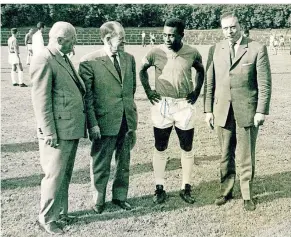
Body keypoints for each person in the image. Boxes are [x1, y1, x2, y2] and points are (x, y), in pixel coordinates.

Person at [204, 12, 272, 211]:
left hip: (247, 111)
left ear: (240, 26)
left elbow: (265, 84)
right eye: (225, 28)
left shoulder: (257, 48)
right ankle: (226, 191)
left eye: (232, 27)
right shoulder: (215, 49)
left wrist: (261, 111)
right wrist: (208, 110)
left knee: (245, 155)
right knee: (225, 154)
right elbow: (210, 83)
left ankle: (247, 195)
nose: (229, 32)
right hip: (222, 111)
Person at [139, 18, 205, 205]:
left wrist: (197, 91)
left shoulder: (192, 52)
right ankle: (159, 187)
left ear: (181, 35)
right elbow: (142, 70)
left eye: (172, 35)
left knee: (187, 147)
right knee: (160, 146)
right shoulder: (155, 52)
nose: (168, 38)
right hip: (163, 104)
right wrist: (148, 91)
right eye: (165, 35)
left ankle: (186, 187)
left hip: (184, 104)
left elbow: (200, 70)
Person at [30, 21, 86, 234]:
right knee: (54, 175)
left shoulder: (61, 57)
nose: (75, 45)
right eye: (72, 41)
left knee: (64, 174)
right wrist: (49, 131)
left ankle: (61, 212)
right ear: (60, 40)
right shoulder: (43, 59)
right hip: (57, 131)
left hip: (69, 128)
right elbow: (40, 100)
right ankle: (47, 218)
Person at [79, 21, 137, 214]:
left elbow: (130, 91)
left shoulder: (129, 59)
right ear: (107, 38)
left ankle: (120, 197)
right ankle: (98, 200)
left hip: (126, 121)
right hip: (103, 123)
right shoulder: (89, 62)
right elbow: (87, 98)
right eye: (121, 39)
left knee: (124, 163)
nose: (124, 42)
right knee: (101, 163)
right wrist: (92, 124)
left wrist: (132, 119)